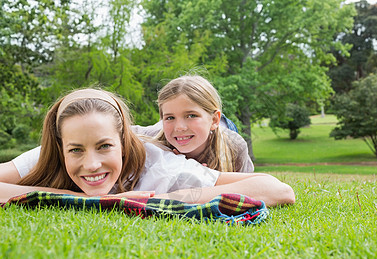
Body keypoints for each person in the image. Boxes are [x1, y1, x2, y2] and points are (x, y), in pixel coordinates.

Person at [0, 88, 295, 207]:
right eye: (76, 150)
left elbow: (277, 190)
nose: (91, 164)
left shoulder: (160, 165)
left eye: (104, 146)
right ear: (61, 147)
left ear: (125, 145)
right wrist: (88, 200)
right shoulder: (50, 156)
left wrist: (159, 199)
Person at [3, 75, 253, 181]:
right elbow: (109, 134)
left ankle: (207, 119)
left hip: (219, 129)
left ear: (211, 117)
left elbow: (250, 194)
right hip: (155, 131)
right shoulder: (149, 139)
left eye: (190, 115)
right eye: (170, 117)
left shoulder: (234, 146)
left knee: (218, 127)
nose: (179, 127)